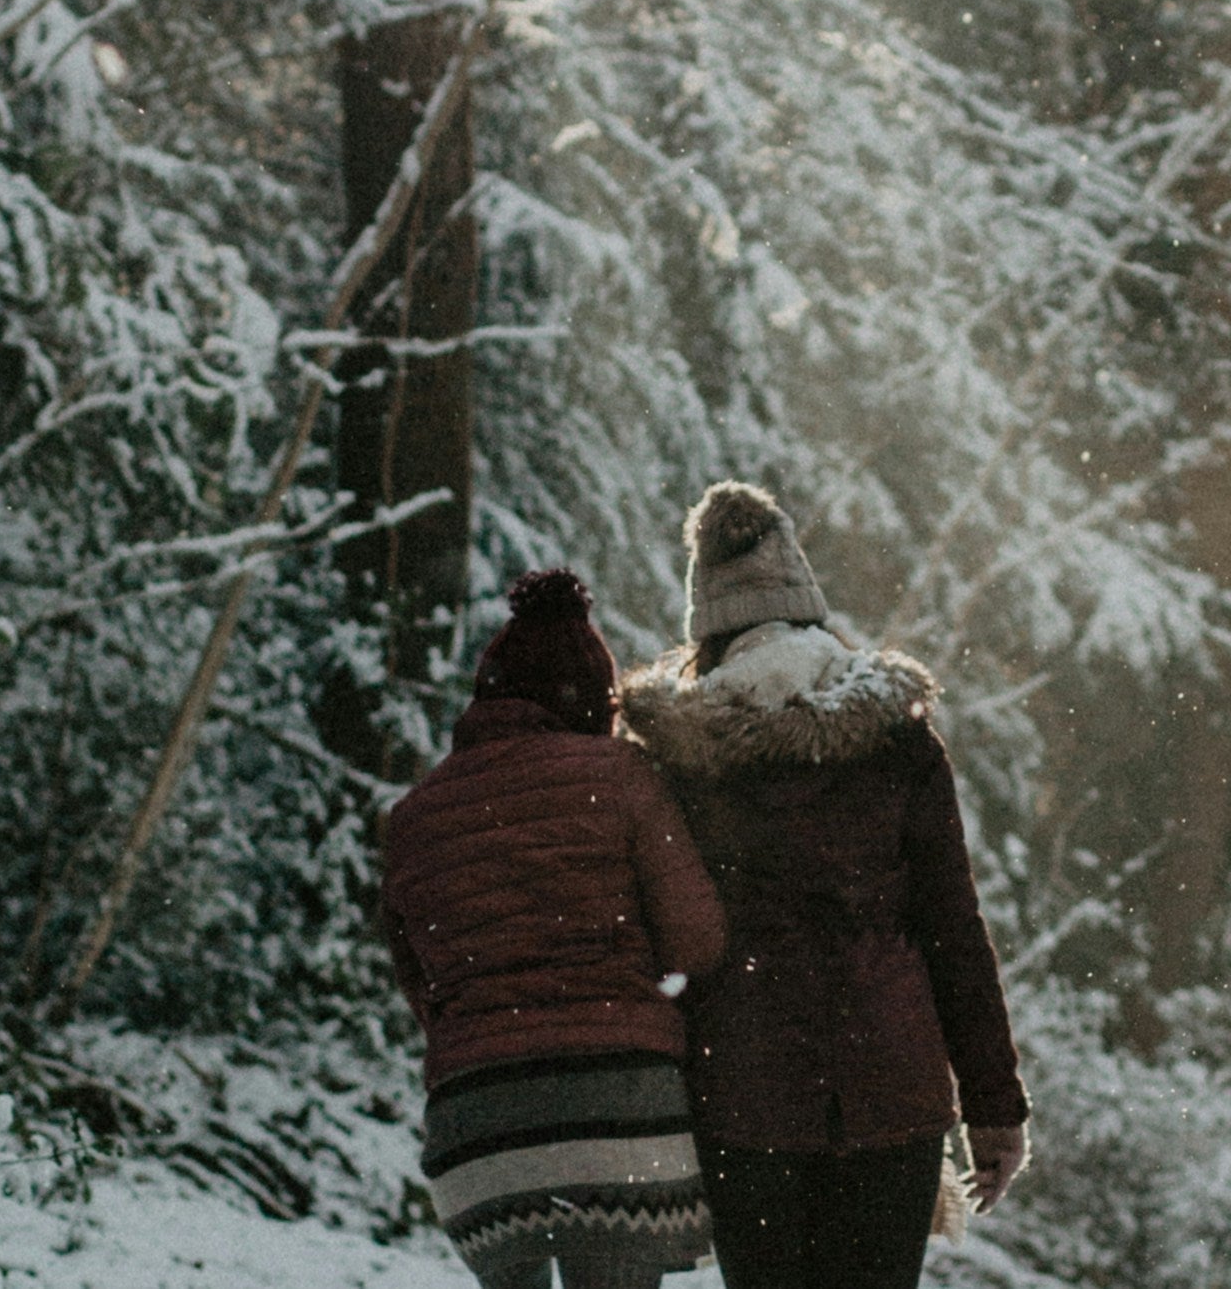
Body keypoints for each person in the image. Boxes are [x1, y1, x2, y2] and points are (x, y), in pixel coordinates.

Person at [621, 484, 1030, 1289]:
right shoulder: (899, 741)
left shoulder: (681, 758)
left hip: (748, 1095)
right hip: (892, 1090)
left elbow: (659, 932)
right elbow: (953, 930)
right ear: (808, 609)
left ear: (708, 623)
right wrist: (995, 1107)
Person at [383, 566, 731, 1289]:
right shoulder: (623, 776)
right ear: (591, 700)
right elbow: (699, 940)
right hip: (617, 1106)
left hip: (479, 1123)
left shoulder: (413, 817)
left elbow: (420, 980)